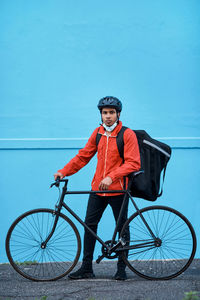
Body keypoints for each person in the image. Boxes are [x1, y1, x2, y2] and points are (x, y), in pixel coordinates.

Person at [54, 96, 141, 280]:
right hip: (97, 190)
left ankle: (121, 268)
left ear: (118, 114)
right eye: (104, 113)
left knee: (122, 229)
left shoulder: (127, 134)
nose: (107, 116)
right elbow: (83, 156)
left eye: (111, 112)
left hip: (118, 190)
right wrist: (64, 171)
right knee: (89, 226)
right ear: (100, 115)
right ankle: (86, 268)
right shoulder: (98, 133)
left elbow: (134, 163)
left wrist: (112, 176)